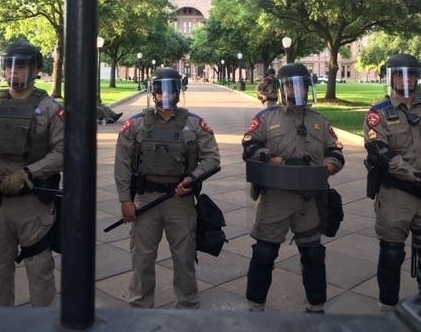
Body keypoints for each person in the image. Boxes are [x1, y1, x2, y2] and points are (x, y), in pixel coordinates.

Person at [0, 39, 64, 307]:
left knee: (39, 271)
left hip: (33, 202)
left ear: (35, 70)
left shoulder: (51, 109)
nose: (13, 72)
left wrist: (29, 173)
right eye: (8, 66)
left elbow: (63, 152)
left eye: (20, 66)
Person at [242, 62, 344, 313]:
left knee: (313, 254)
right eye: (291, 85)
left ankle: (316, 304)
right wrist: (270, 157)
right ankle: (256, 305)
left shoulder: (319, 121)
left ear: (308, 88)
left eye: (301, 85)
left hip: (309, 199)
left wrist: (330, 166)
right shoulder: (266, 118)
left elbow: (336, 152)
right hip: (276, 196)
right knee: (264, 253)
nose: (296, 90)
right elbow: (249, 148)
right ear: (282, 88)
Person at [114, 67, 220, 309]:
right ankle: (140, 305)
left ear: (178, 91)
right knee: (142, 257)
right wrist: (125, 200)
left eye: (170, 89)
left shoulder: (194, 124)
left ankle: (187, 304)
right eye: (160, 90)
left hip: (179, 199)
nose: (165, 95)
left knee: (184, 256)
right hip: (146, 199)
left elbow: (212, 159)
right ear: (153, 93)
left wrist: (192, 179)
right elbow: (122, 164)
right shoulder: (136, 125)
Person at [363, 53, 421, 312]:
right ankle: (388, 310)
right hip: (397, 196)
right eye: (400, 75)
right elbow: (380, 152)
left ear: (419, 77)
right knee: (391, 256)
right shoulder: (378, 114)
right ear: (390, 78)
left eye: (412, 74)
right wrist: (417, 178)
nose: (407, 79)